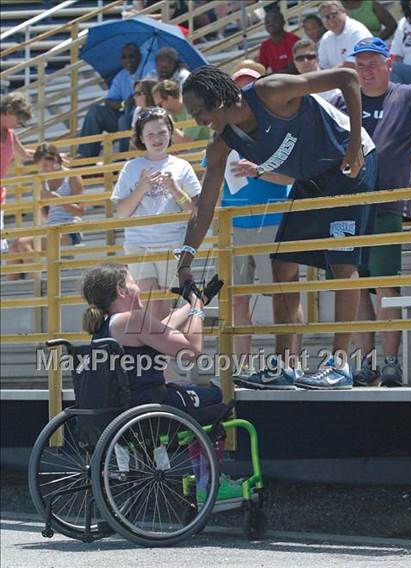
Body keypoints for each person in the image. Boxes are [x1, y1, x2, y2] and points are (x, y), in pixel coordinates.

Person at [177, 65, 377, 390]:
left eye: (199, 112)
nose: (198, 121)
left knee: (342, 261)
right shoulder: (221, 144)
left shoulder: (270, 91)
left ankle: (340, 364)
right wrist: (185, 259)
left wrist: (354, 143)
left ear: (217, 100)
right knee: (282, 264)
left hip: (350, 164)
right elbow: (204, 205)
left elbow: (348, 78)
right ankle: (284, 367)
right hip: (311, 178)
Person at [81, 263, 242, 501]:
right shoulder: (133, 319)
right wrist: (197, 309)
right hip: (151, 405)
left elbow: (163, 328)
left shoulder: (109, 324)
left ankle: (204, 482)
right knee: (215, 397)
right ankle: (209, 485)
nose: (138, 286)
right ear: (122, 290)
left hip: (123, 410)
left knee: (190, 393)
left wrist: (199, 299)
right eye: (133, 281)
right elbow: (192, 350)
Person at [344, 37, 411, 387]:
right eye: (360, 65)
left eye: (373, 64)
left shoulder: (408, 96)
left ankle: (390, 363)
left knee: (385, 285)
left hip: (387, 205)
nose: (366, 71)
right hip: (345, 207)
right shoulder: (343, 100)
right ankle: (366, 362)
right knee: (356, 287)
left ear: (389, 63)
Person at [219, 67, 292, 371]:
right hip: (237, 225)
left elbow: (292, 175)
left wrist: (258, 169)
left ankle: (289, 363)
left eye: (250, 87)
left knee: (284, 297)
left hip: (275, 220)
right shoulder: (223, 134)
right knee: (238, 299)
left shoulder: (279, 128)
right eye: (239, 89)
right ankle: (242, 368)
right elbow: (213, 178)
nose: (245, 95)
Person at [111, 107, 201, 321]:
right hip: (139, 244)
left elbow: (195, 211)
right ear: (141, 138)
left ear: (170, 133)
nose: (157, 138)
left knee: (163, 309)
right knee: (149, 306)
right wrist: (141, 188)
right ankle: (158, 351)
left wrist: (175, 189)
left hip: (172, 243)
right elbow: (121, 212)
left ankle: (162, 351)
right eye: (150, 134)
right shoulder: (131, 167)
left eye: (162, 132)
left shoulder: (182, 166)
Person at [8, 143, 84, 280]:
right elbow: (46, 215)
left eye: (45, 165)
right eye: (40, 166)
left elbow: (80, 211)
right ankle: (9, 296)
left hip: (70, 230)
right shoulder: (44, 181)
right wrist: (42, 203)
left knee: (23, 243)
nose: (43, 169)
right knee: (13, 248)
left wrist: (58, 199)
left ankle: (38, 288)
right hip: (51, 228)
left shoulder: (72, 176)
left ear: (55, 160)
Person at [78, 44, 144, 158]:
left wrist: (137, 98)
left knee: (124, 120)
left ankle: (124, 159)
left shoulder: (149, 71)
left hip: (143, 117)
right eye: (124, 57)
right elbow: (109, 101)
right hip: (124, 114)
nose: (128, 60)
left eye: (131, 56)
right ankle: (86, 156)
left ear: (139, 57)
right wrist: (123, 104)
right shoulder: (121, 76)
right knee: (95, 111)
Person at [0, 92, 33, 252]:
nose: (19, 123)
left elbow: (25, 155)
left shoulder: (11, 135)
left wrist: (52, 155)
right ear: (7, 111)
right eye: (19, 119)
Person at [318, 0, 372, 69]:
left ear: (344, 12)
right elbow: (322, 66)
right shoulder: (326, 38)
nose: (330, 20)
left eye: (333, 15)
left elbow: (352, 66)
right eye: (325, 18)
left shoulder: (356, 32)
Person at [292, 39, 341, 103]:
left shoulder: (332, 82)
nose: (305, 61)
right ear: (295, 63)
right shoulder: (293, 91)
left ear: (317, 59)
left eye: (309, 57)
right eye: (300, 58)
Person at [258, 7, 300, 73]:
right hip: (277, 81)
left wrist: (271, 77)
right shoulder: (265, 45)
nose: (270, 24)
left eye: (274, 20)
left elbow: (293, 70)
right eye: (267, 22)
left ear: (283, 22)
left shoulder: (292, 40)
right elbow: (260, 70)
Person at [390, 0, 411, 85]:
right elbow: (397, 56)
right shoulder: (403, 23)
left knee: (395, 68)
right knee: (391, 67)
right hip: (408, 72)